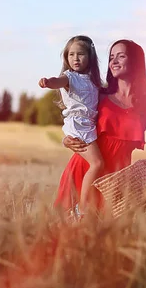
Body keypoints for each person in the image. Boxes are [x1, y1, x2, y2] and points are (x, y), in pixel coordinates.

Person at [55, 39, 146, 218]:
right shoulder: (99, 95)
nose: (114, 62)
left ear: (135, 61)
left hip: (116, 180)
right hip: (85, 170)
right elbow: (76, 118)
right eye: (111, 57)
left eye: (121, 56)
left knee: (108, 239)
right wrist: (66, 140)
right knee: (69, 236)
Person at [38, 35, 105, 217]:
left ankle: (85, 205)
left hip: (88, 124)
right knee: (97, 163)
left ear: (90, 57)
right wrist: (48, 82)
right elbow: (57, 81)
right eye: (71, 55)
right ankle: (82, 208)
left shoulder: (93, 81)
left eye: (80, 54)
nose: (75, 58)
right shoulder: (69, 78)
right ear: (66, 58)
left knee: (96, 163)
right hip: (78, 124)